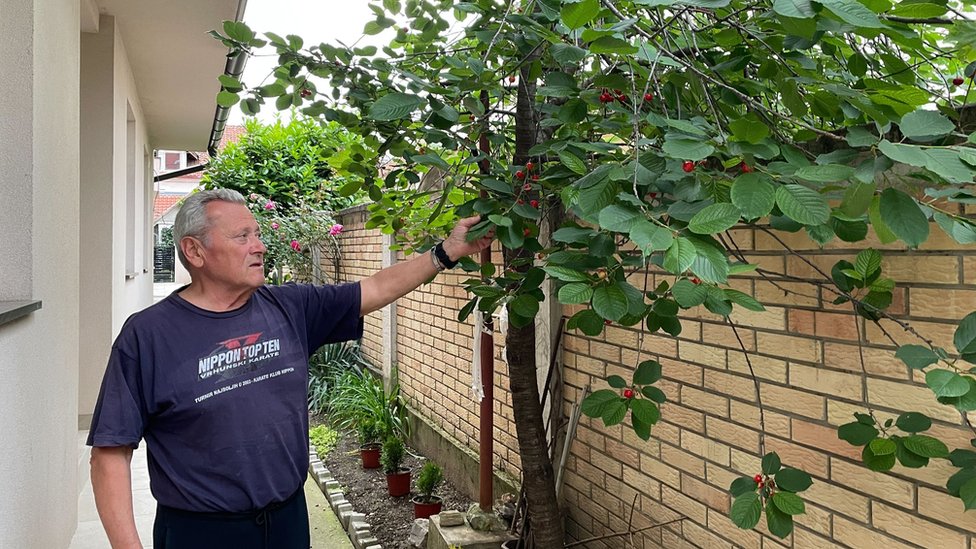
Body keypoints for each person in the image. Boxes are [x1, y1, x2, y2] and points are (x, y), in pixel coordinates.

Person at [86, 188, 493, 549]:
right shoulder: (149, 335)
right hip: (202, 531)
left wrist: (447, 251)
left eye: (257, 234)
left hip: (287, 522)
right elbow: (110, 452)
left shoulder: (290, 307)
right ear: (195, 251)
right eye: (242, 236)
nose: (259, 245)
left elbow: (376, 288)